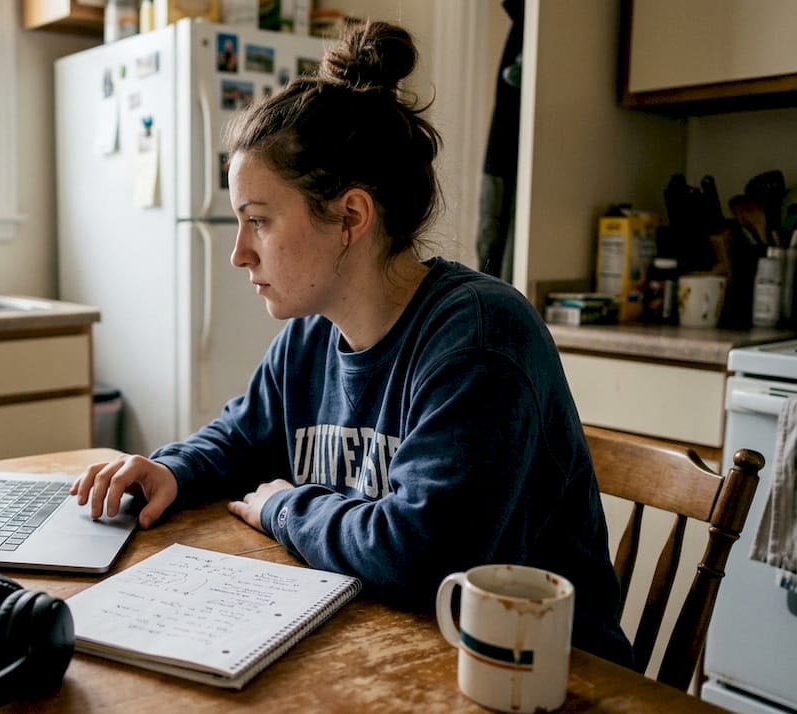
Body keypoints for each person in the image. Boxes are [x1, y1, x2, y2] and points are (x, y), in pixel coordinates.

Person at [71, 21, 633, 667]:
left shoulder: (480, 339)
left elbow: (418, 555)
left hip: (534, 673)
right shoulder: (312, 331)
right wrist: (172, 468)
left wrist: (284, 505)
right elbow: (241, 437)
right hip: (393, 637)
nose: (238, 253)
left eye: (259, 220)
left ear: (351, 218)